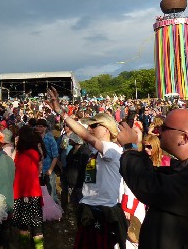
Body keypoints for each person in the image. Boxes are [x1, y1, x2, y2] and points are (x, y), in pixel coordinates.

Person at [47, 86, 127, 249]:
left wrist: (61, 113)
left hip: (104, 212)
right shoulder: (95, 152)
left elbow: (85, 135)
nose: (89, 128)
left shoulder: (111, 149)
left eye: (94, 125)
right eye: (89, 126)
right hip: (88, 209)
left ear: (105, 128)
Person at [118, 108, 188, 248]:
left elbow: (148, 184)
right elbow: (153, 174)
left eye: (164, 127)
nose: (158, 131)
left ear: (184, 138)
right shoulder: (186, 168)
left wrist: (129, 147)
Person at [13, 125, 44, 249]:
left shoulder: (20, 155)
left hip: (20, 194)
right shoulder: (35, 154)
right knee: (37, 226)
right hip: (34, 193)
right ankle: (39, 248)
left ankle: (24, 246)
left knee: (23, 226)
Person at [34, 118, 60, 205]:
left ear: (45, 128)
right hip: (38, 170)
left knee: (51, 192)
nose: (38, 128)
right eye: (37, 126)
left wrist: (50, 169)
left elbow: (55, 156)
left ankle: (55, 213)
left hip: (48, 168)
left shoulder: (50, 139)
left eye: (40, 126)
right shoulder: (35, 138)